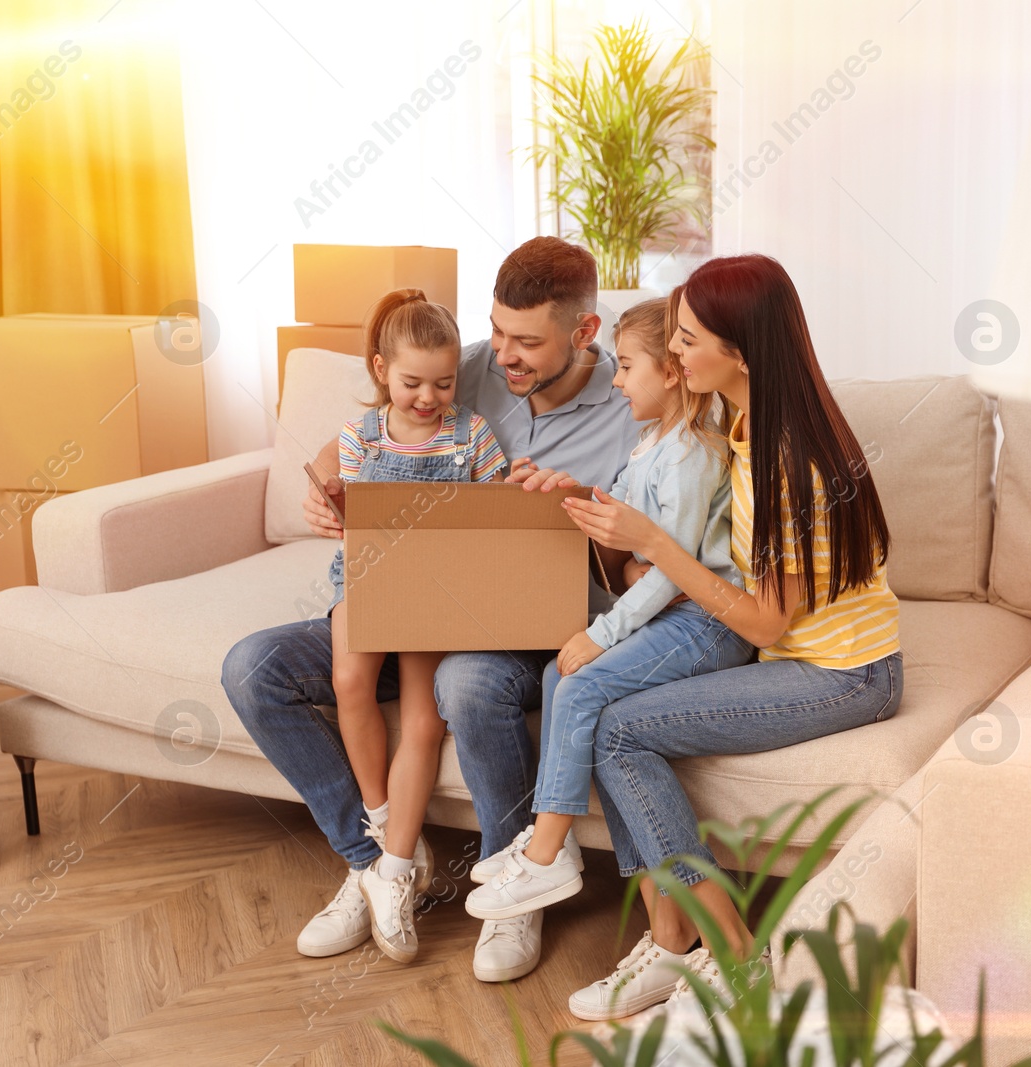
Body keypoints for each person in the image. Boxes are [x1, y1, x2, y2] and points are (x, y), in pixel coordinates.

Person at [221, 237, 640, 982]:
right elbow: (359, 438)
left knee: (465, 684)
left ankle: (515, 894)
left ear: (584, 333)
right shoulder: (462, 367)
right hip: (402, 596)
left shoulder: (632, 408)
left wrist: (573, 503)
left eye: (526, 341)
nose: (503, 355)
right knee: (253, 668)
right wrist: (323, 491)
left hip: (524, 619)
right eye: (498, 330)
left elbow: (638, 561)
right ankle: (378, 865)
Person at [553, 255, 905, 1019]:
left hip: (844, 672)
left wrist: (654, 540)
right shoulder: (748, 421)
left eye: (685, 341)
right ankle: (674, 942)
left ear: (738, 351)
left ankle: (731, 954)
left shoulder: (790, 459)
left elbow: (762, 619)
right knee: (603, 711)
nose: (673, 356)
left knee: (615, 732)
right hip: (797, 654)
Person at [461, 293, 755, 970]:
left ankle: (547, 847)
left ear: (673, 373)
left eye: (626, 366)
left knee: (579, 679)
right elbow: (626, 529)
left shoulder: (691, 455)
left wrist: (603, 633)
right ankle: (666, 929)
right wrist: (575, 496)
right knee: (557, 678)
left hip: (704, 621)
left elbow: (672, 569)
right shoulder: (653, 443)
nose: (615, 379)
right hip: (674, 616)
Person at [326, 289, 509, 964]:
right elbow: (352, 525)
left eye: (443, 382)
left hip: (437, 587)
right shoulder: (358, 437)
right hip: (370, 574)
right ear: (380, 369)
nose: (428, 397)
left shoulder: (474, 434)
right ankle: (381, 821)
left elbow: (499, 519)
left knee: (425, 712)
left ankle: (395, 864)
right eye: (412, 383)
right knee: (349, 675)